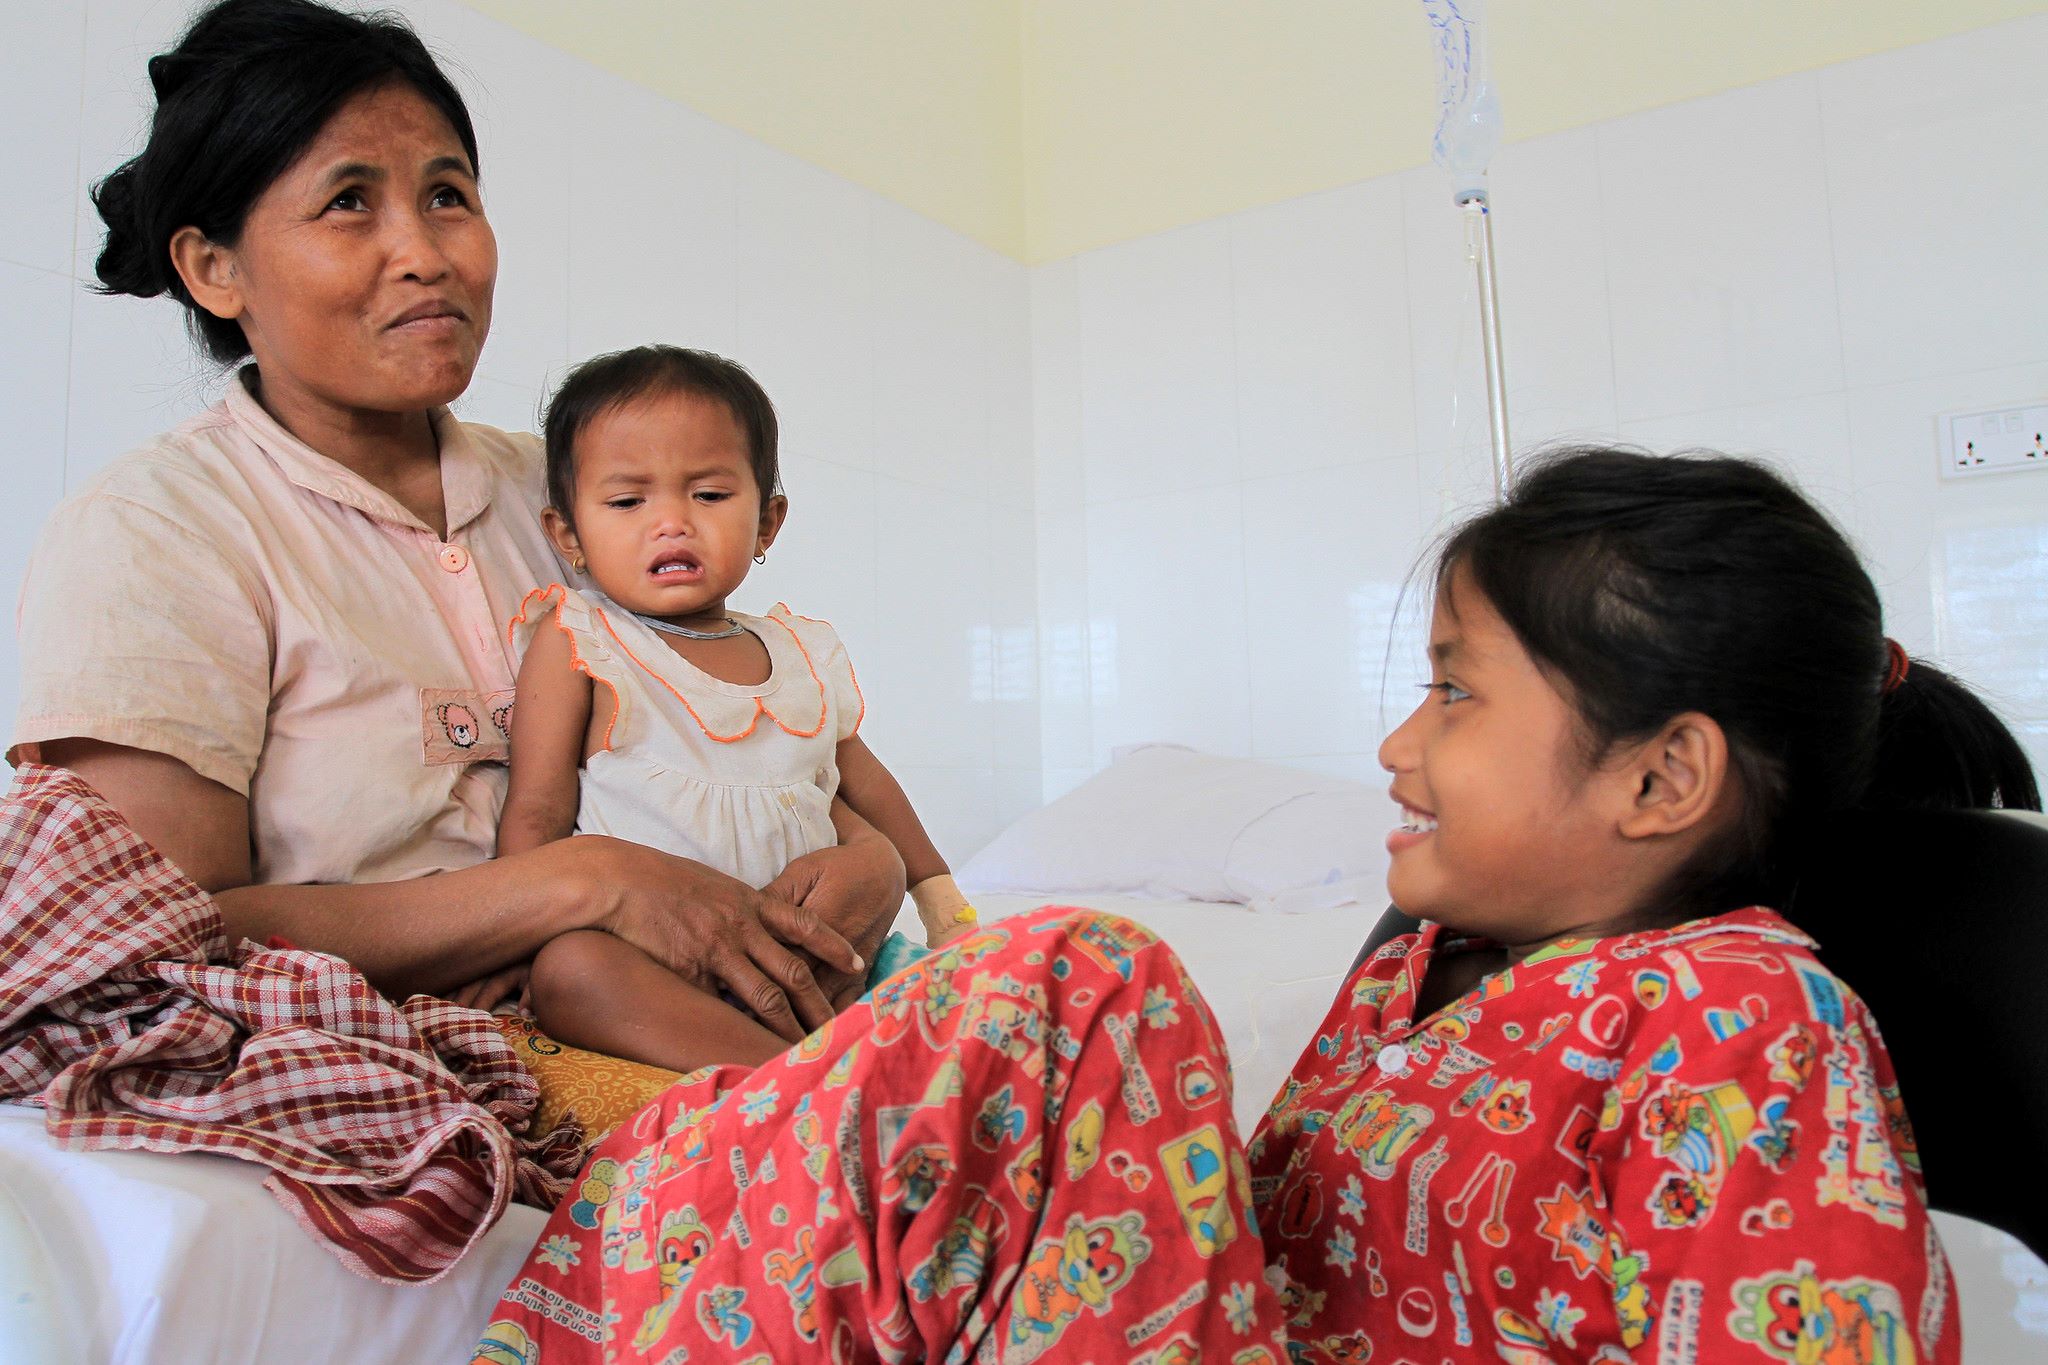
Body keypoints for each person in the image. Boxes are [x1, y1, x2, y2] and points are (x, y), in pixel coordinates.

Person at [476, 447, 2033, 1362]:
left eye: (1452, 696)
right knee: (1033, 1008)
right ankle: (650, 1252)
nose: (1394, 749)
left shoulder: (1750, 1016)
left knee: (1078, 982)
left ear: (1660, 777)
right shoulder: (1416, 965)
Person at [11, 0, 902, 1045]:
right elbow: (153, 937)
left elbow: (757, 742)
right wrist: (583, 883)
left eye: (447, 195)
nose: (425, 253)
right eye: (350, 202)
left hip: (675, 1024)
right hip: (389, 1064)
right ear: (216, 269)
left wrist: (871, 862)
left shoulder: (579, 499)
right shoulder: (158, 531)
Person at [493, 345, 979, 1071]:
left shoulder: (799, 653)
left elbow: (868, 787)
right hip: (656, 961)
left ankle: (829, 1060)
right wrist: (512, 939)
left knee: (953, 989)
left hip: (807, 955)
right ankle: (802, 1083)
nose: (671, 524)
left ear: (767, 523)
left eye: (710, 495)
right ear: (569, 536)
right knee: (572, 969)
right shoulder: (582, 643)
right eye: (628, 502)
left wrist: (942, 902)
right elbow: (534, 808)